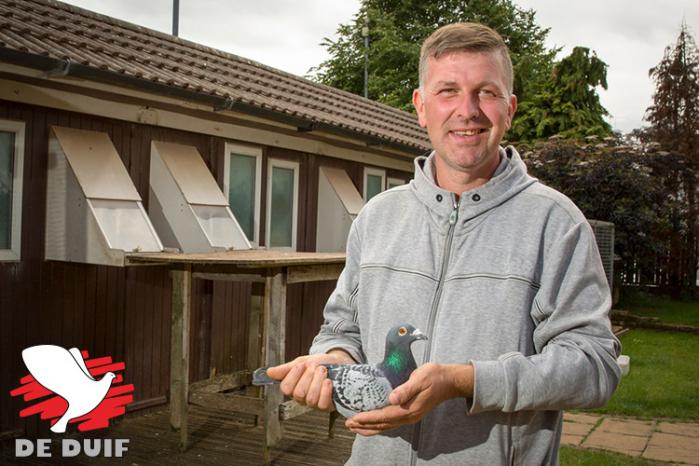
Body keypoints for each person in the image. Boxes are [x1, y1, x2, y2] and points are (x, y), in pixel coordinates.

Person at [267, 22, 621, 465]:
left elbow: (594, 366)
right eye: (448, 91)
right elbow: (343, 330)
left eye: (486, 93)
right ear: (420, 106)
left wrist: (466, 380)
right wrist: (330, 362)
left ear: (509, 109)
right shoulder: (378, 216)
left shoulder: (555, 223)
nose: (467, 110)